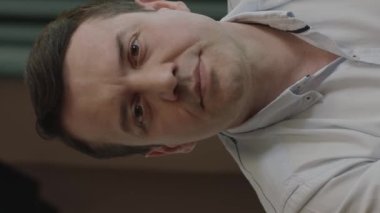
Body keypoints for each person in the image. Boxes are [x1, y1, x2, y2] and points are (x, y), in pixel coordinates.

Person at [25, 0, 380, 212]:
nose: (163, 81)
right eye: (137, 111)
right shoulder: (314, 193)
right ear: (171, 148)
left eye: (135, 50)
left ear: (162, 6)